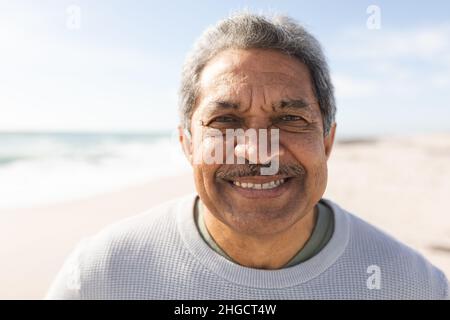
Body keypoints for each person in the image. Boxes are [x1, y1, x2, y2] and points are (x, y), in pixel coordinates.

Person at [46, 12, 449, 299]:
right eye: (225, 120)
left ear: (327, 141)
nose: (257, 151)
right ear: (187, 144)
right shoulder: (99, 277)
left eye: (290, 118)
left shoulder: (413, 286)